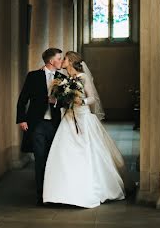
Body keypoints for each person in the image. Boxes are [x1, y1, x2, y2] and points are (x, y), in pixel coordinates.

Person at [42, 51, 126, 208]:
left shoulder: (83, 77)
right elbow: (59, 94)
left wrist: (82, 101)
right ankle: (63, 192)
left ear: (71, 61)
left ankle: (89, 189)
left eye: (65, 59)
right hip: (68, 119)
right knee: (64, 153)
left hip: (83, 118)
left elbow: (93, 97)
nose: (63, 61)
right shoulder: (65, 79)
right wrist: (61, 99)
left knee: (89, 152)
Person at [15, 47, 63, 206]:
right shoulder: (33, 76)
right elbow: (23, 99)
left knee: (53, 160)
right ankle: (41, 196)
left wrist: (55, 101)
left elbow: (67, 100)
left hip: (55, 125)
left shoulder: (62, 77)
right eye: (59, 59)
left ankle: (53, 193)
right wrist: (22, 119)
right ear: (51, 61)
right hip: (37, 125)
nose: (61, 61)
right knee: (40, 160)